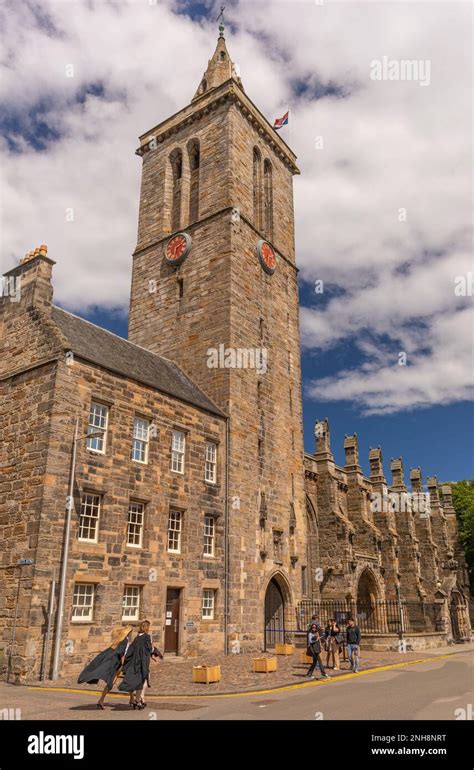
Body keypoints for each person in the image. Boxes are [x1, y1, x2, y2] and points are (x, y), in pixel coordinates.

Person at [77, 626, 133, 709]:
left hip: (116, 664)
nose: (132, 634)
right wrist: (123, 664)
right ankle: (102, 700)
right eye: (131, 632)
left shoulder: (119, 641)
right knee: (124, 680)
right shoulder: (124, 641)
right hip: (117, 665)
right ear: (128, 633)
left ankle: (130, 699)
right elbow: (122, 654)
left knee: (115, 682)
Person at [118, 620, 162, 709]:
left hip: (135, 662)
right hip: (142, 662)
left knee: (138, 681)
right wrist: (155, 654)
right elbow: (149, 648)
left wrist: (126, 661)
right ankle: (138, 700)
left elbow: (131, 650)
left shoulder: (137, 637)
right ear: (147, 627)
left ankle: (137, 700)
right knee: (142, 680)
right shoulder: (147, 637)